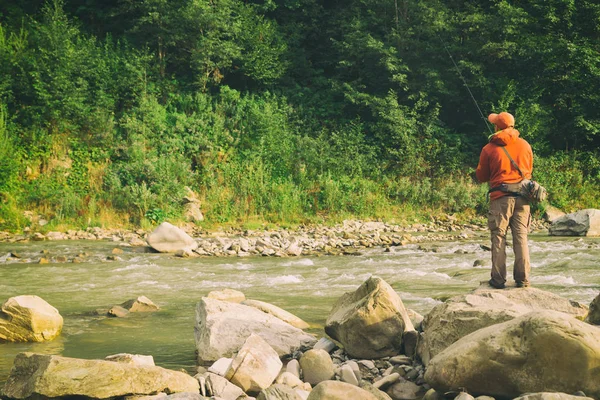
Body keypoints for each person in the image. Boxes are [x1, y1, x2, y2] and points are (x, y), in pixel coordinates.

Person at [476, 112, 533, 289]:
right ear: (512, 125)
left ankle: (498, 280)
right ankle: (522, 280)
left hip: (500, 198)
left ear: (496, 127)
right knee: (521, 238)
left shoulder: (488, 149)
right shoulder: (525, 145)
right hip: (523, 198)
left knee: (499, 237)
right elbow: (529, 170)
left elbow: (481, 176)